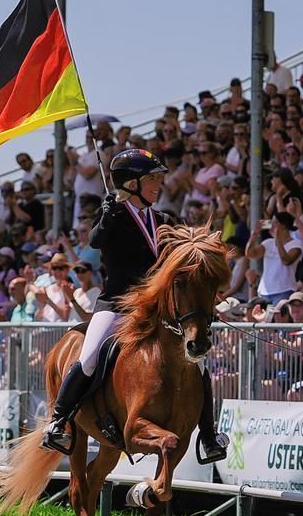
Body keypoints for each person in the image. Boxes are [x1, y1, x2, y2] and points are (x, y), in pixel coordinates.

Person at [40, 149, 229, 464]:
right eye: (152, 179)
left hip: (155, 310)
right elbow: (96, 241)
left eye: (158, 179)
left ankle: (208, 437)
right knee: (90, 356)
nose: (158, 185)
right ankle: (58, 422)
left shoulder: (163, 221)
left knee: (199, 364)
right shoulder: (113, 216)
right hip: (116, 305)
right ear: (131, 183)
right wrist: (108, 214)